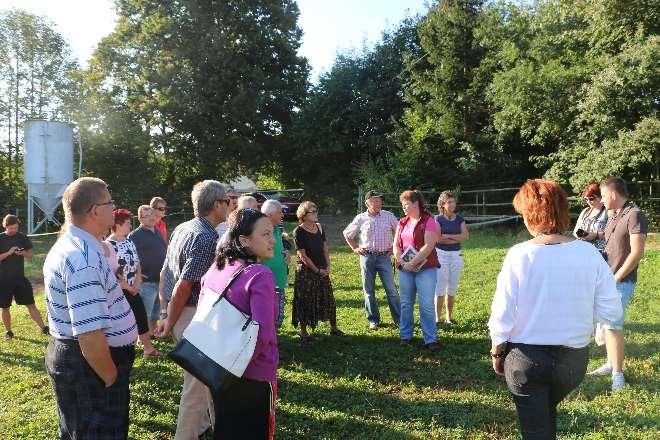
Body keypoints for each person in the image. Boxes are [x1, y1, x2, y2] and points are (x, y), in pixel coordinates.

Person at [488, 179, 622, 440]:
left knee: (535, 427)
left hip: (525, 359)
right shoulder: (588, 254)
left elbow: (502, 310)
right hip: (572, 362)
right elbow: (611, 309)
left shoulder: (519, 254)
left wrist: (497, 350)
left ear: (531, 216)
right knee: (545, 414)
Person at [43, 177, 138, 439]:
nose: (114, 208)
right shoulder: (82, 258)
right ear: (95, 210)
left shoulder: (83, 247)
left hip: (85, 362)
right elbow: (89, 335)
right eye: (110, 203)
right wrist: (111, 379)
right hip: (91, 367)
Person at [156, 180, 228, 440]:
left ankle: (206, 426)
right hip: (191, 315)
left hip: (183, 314)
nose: (230, 205)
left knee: (207, 378)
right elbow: (185, 285)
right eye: (227, 201)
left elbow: (165, 272)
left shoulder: (183, 227)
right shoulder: (206, 237)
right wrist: (169, 318)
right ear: (215, 205)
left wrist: (165, 313)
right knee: (196, 387)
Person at [200, 208, 278, 439]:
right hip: (251, 374)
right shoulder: (259, 274)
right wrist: (236, 364)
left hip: (216, 368)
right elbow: (262, 334)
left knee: (225, 429)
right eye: (265, 234)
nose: (272, 240)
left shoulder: (217, 267)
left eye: (272, 233)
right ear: (243, 240)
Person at [587, 177, 648, 391]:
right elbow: (606, 235)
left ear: (613, 195)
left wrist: (617, 277)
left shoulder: (634, 215)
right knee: (605, 324)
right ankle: (611, 363)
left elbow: (637, 252)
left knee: (612, 326)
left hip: (621, 281)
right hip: (608, 279)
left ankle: (617, 375)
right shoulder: (614, 216)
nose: (602, 200)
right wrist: (591, 235)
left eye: (603, 195)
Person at [343, 190, 400, 330]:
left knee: (391, 289)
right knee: (369, 290)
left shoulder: (389, 216)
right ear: (367, 203)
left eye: (380, 200)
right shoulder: (361, 218)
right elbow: (347, 233)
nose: (378, 203)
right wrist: (355, 248)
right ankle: (373, 320)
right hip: (367, 256)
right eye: (374, 200)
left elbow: (400, 232)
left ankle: (399, 319)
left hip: (384, 257)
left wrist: (394, 248)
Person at [107, 208, 161, 357]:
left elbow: (136, 263)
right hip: (120, 291)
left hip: (134, 288)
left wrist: (137, 282)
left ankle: (148, 349)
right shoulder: (109, 245)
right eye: (127, 223)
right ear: (118, 224)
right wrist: (129, 288)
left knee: (141, 316)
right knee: (121, 321)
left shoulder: (128, 240)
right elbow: (113, 274)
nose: (130, 226)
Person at [393, 190, 440, 350]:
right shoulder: (402, 222)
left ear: (416, 204)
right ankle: (405, 336)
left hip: (426, 268)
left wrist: (413, 262)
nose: (404, 207)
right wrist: (402, 261)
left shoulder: (429, 221)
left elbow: (429, 245)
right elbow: (396, 246)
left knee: (426, 304)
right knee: (406, 303)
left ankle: (430, 339)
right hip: (404, 268)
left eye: (406, 204)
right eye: (402, 205)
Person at [291, 201, 344, 343]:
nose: (316, 214)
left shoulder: (320, 228)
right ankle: (303, 332)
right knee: (305, 300)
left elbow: (325, 249)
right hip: (306, 271)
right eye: (312, 212)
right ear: (304, 214)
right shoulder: (298, 231)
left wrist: (328, 267)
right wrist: (316, 270)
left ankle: (333, 328)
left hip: (322, 268)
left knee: (328, 298)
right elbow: (302, 255)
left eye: (316, 211)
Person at [0, 214, 48, 340]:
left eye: (15, 228)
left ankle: (43, 328)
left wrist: (23, 253)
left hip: (20, 278)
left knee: (31, 304)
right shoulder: (1, 238)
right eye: (11, 228)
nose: (13, 231)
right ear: (5, 226)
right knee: (5, 307)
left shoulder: (22, 237)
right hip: (4, 280)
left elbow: (30, 255)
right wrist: (9, 253)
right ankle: (9, 332)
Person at [129, 205, 167, 334]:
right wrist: (137, 275)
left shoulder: (157, 231)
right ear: (140, 219)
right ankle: (142, 338)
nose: (151, 218)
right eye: (147, 216)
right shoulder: (135, 235)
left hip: (159, 280)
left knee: (155, 313)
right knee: (145, 312)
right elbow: (129, 258)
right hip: (146, 281)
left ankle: (152, 333)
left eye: (152, 214)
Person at [434, 191, 469, 325]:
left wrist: (447, 236)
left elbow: (465, 236)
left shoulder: (459, 219)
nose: (452, 204)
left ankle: (449, 317)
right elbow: (438, 239)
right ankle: (438, 318)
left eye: (453, 202)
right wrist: (455, 237)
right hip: (441, 255)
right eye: (449, 202)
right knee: (440, 287)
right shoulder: (437, 219)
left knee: (452, 287)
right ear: (442, 204)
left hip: (456, 255)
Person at [260, 200, 289, 329]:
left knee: (278, 317)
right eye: (279, 212)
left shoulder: (278, 228)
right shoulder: (258, 230)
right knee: (265, 317)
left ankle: (273, 344)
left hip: (280, 280)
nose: (282, 215)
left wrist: (286, 253)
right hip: (264, 283)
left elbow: (279, 248)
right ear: (269, 214)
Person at [572, 183, 607, 252]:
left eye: (591, 199)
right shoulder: (585, 211)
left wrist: (595, 235)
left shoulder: (608, 212)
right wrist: (581, 235)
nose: (588, 202)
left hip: (600, 252)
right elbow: (575, 231)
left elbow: (613, 234)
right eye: (586, 199)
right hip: (583, 250)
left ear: (601, 197)